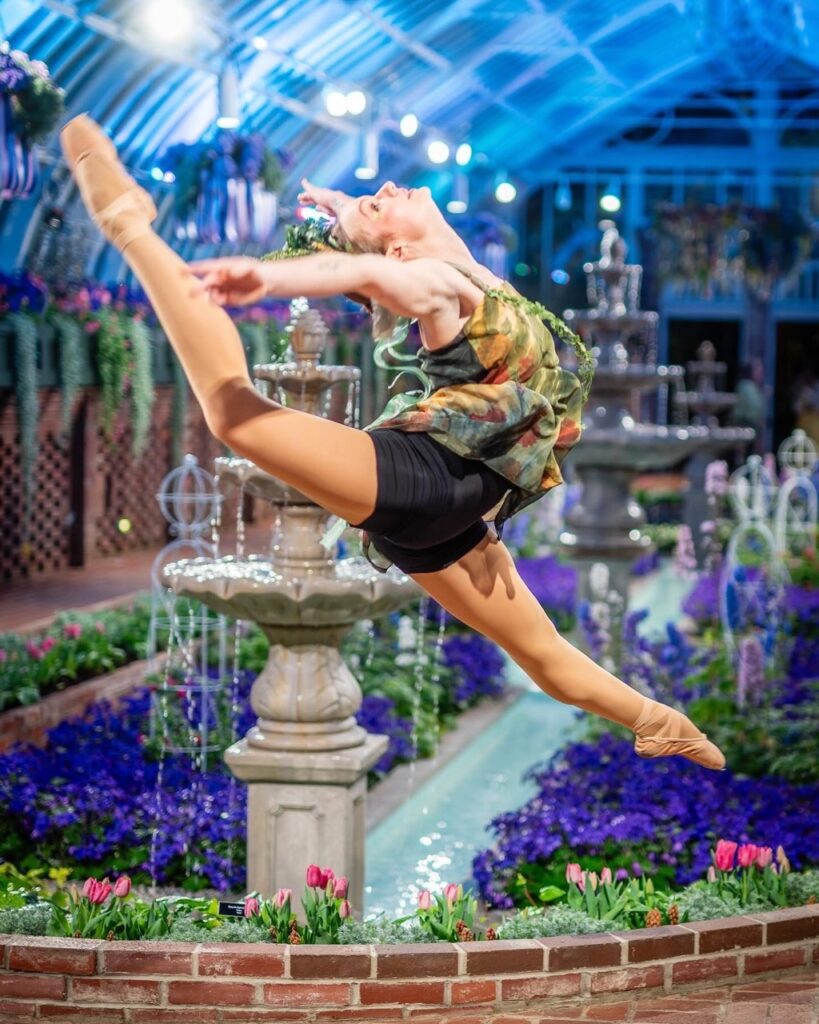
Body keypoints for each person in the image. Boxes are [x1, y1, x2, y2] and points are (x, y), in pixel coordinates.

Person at [59, 114, 726, 771]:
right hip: (429, 482)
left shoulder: (470, 273)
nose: (382, 189)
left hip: (450, 502)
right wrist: (274, 278)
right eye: (377, 206)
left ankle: (658, 724)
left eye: (375, 197)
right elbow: (382, 279)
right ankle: (127, 223)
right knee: (234, 415)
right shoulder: (435, 281)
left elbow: (380, 263)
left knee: (541, 651)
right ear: (401, 250)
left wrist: (344, 211)